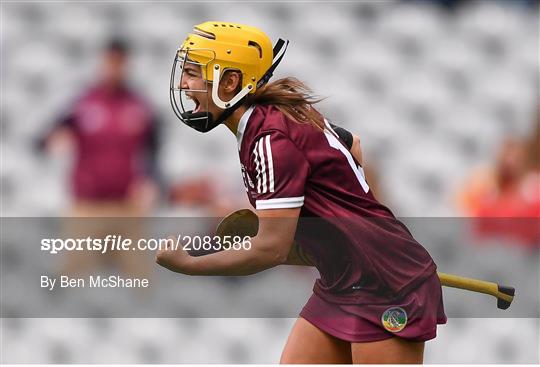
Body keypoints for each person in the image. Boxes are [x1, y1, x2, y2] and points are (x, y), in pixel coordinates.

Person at [157, 22, 446, 364]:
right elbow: (352, 144)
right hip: (343, 280)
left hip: (386, 285)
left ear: (231, 81)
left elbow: (270, 249)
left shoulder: (271, 139)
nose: (184, 84)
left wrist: (190, 264)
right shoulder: (274, 118)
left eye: (193, 73)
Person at [40, 38, 161, 276]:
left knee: (139, 277)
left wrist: (151, 181)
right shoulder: (81, 103)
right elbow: (44, 138)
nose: (114, 68)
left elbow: (154, 152)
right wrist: (55, 139)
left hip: (126, 206)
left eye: (120, 62)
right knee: (73, 274)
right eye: (110, 61)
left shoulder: (139, 106)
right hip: (87, 205)